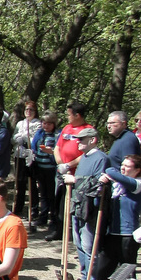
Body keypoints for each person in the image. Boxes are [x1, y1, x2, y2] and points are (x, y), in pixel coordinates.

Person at [86, 155, 141, 280]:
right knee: (101, 271)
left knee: (127, 275)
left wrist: (109, 173)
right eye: (123, 165)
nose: (123, 168)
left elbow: (111, 171)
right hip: (111, 234)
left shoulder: (138, 185)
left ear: (137, 170)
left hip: (128, 236)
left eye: (128, 166)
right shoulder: (116, 187)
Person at [62, 127, 109, 280]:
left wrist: (74, 180)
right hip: (78, 205)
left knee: (89, 245)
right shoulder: (84, 158)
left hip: (91, 209)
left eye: (81, 139)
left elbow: (97, 185)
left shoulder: (101, 158)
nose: (78, 142)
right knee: (79, 243)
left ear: (92, 140)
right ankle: (84, 274)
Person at [49, 101, 94, 241]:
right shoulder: (67, 128)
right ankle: (58, 229)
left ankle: (76, 233)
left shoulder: (88, 130)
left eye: (69, 114)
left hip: (77, 173)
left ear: (77, 115)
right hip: (62, 171)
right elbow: (58, 147)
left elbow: (87, 152)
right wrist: (61, 164)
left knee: (75, 204)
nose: (67, 117)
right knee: (59, 201)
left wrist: (69, 165)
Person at [31, 111, 61, 229]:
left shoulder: (58, 135)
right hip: (39, 167)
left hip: (51, 168)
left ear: (53, 124)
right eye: (44, 123)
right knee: (42, 194)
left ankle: (53, 217)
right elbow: (33, 146)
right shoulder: (39, 133)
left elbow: (59, 150)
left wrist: (51, 151)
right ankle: (42, 216)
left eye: (49, 123)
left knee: (51, 194)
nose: (46, 126)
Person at [12, 101, 41, 218]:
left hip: (30, 155)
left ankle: (33, 208)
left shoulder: (37, 124)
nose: (28, 112)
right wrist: (16, 138)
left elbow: (36, 139)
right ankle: (18, 207)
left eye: (31, 110)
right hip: (19, 154)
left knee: (31, 182)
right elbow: (13, 138)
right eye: (26, 110)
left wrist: (27, 137)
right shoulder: (20, 124)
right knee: (19, 182)